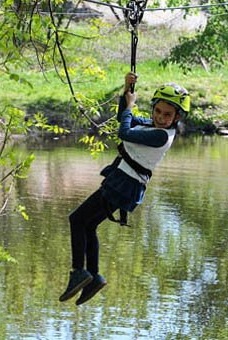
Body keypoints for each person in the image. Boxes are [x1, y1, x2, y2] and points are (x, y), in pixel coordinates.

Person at [59, 72, 190, 305]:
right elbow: (123, 118)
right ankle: (94, 277)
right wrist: (126, 91)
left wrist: (131, 107)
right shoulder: (152, 125)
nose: (160, 117)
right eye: (158, 111)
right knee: (87, 225)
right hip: (122, 182)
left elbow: (124, 132)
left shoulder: (161, 136)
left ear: (177, 117)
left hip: (124, 186)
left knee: (77, 220)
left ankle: (79, 271)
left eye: (167, 114)